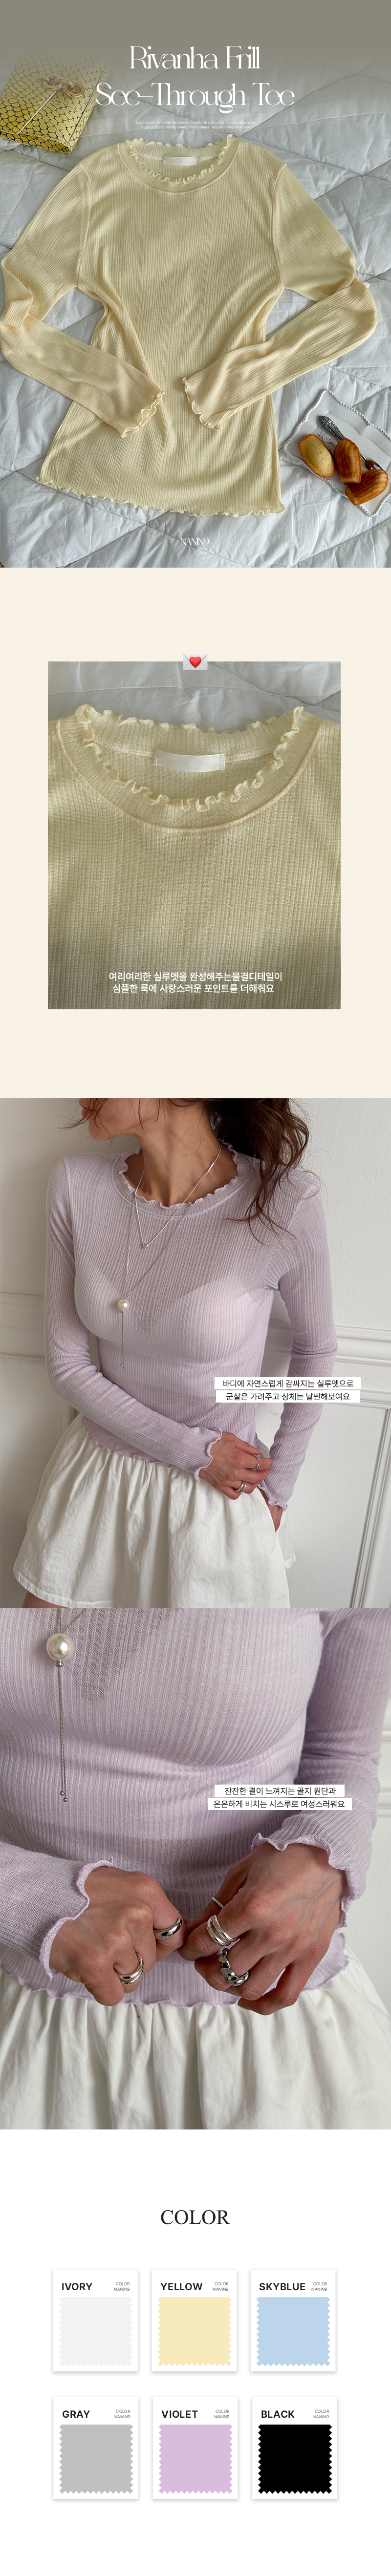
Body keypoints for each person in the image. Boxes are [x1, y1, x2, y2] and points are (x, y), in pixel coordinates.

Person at [0, 1605, 390, 2130]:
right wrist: (24, 1896)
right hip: (25, 2013)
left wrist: (322, 1855)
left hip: (266, 2031)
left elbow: (340, 1754)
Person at [14, 1096, 337, 1610]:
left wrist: (276, 1492)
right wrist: (195, 1452)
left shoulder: (284, 1202)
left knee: (197, 1664)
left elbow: (316, 1351)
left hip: (215, 1506)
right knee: (42, 1658)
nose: (79, 1090)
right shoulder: (76, 1184)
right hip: (98, 1482)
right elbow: (68, 1365)